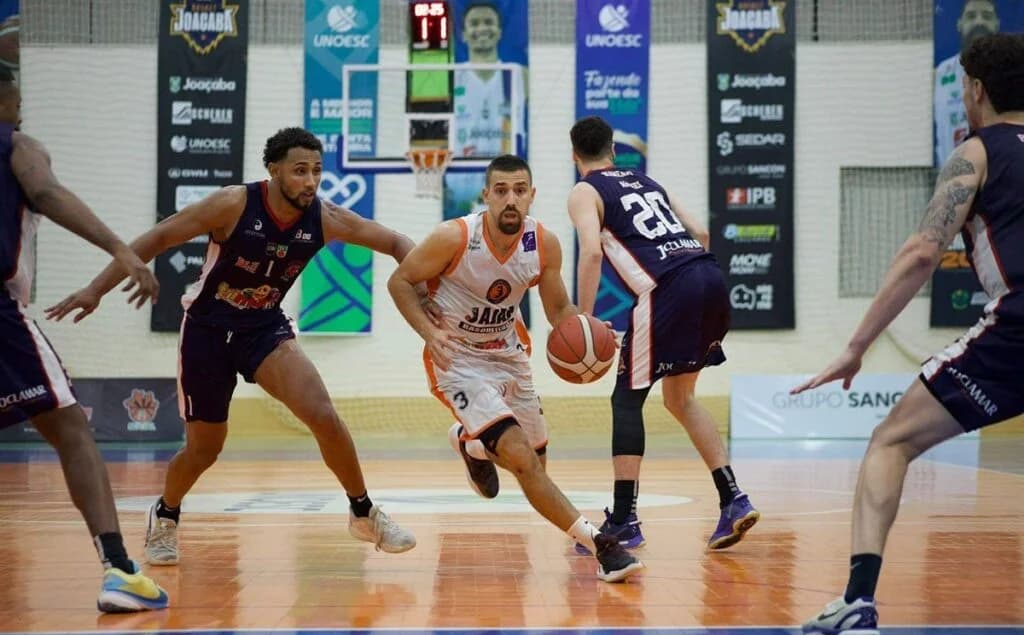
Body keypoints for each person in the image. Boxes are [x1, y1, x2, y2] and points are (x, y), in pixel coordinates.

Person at [48, 127, 428, 565]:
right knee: (205, 449)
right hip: (207, 332)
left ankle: (363, 511)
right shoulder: (233, 204)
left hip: (263, 329)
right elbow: (158, 237)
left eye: (317, 172)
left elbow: (398, 242)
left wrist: (422, 283)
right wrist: (96, 289)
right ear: (274, 170)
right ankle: (166, 514)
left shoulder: (325, 218)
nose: (310, 181)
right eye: (300, 170)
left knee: (323, 414)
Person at [797, 33, 1024, 635]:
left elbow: (924, 250)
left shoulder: (976, 153)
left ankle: (858, 601)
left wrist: (856, 345)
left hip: (1017, 331)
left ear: (974, 90)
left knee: (890, 442)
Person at [388, 154, 643, 582]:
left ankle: (470, 444)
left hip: (508, 354)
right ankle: (601, 545)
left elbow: (559, 308)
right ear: (486, 195)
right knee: (521, 458)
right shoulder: (453, 238)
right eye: (501, 190)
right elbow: (399, 282)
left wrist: (588, 333)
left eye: (519, 190)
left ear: (532, 195)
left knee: (534, 466)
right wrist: (428, 335)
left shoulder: (543, 244)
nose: (511, 199)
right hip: (458, 359)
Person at [0, 66, 168, 612]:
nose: (19, 115)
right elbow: (44, 190)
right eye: (15, 105)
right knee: (72, 430)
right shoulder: (17, 144)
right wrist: (120, 250)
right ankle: (119, 569)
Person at [567, 115, 759, 552]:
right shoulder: (647, 182)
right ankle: (734, 498)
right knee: (680, 398)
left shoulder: (584, 190)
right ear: (613, 150)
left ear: (576, 155)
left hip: (668, 288)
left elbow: (592, 253)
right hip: (709, 276)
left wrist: (584, 317)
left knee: (626, 399)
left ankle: (623, 520)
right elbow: (703, 231)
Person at [444, 1, 527, 219]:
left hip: (505, 185)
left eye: (488, 22)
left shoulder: (519, 75)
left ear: (499, 32)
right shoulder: (449, 77)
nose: (482, 28)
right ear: (463, 34)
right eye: (474, 23)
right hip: (460, 186)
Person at [934, 0, 1000, 166]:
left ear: (997, 24)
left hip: (999, 183)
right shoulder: (938, 75)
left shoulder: (1014, 72)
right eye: (971, 16)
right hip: (952, 182)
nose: (979, 22)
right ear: (959, 24)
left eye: (986, 16)